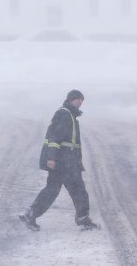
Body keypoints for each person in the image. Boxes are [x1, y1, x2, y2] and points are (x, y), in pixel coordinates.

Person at [19, 89, 99, 231]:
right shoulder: (64, 114)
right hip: (64, 162)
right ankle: (82, 218)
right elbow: (54, 138)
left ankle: (30, 214)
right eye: (77, 99)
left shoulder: (71, 116)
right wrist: (51, 157)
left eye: (81, 100)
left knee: (55, 190)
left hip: (68, 162)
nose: (79, 102)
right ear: (70, 100)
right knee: (77, 190)